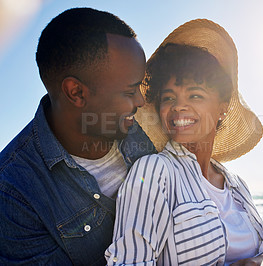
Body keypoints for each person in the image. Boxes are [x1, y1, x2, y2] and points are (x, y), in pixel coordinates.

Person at [106, 19, 263, 265]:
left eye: (195, 95)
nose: (178, 106)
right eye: (168, 97)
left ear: (222, 109)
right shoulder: (155, 172)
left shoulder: (238, 186)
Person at [0, 8, 156, 265]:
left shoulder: (150, 120)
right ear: (76, 93)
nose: (141, 100)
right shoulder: (13, 192)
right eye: (129, 92)